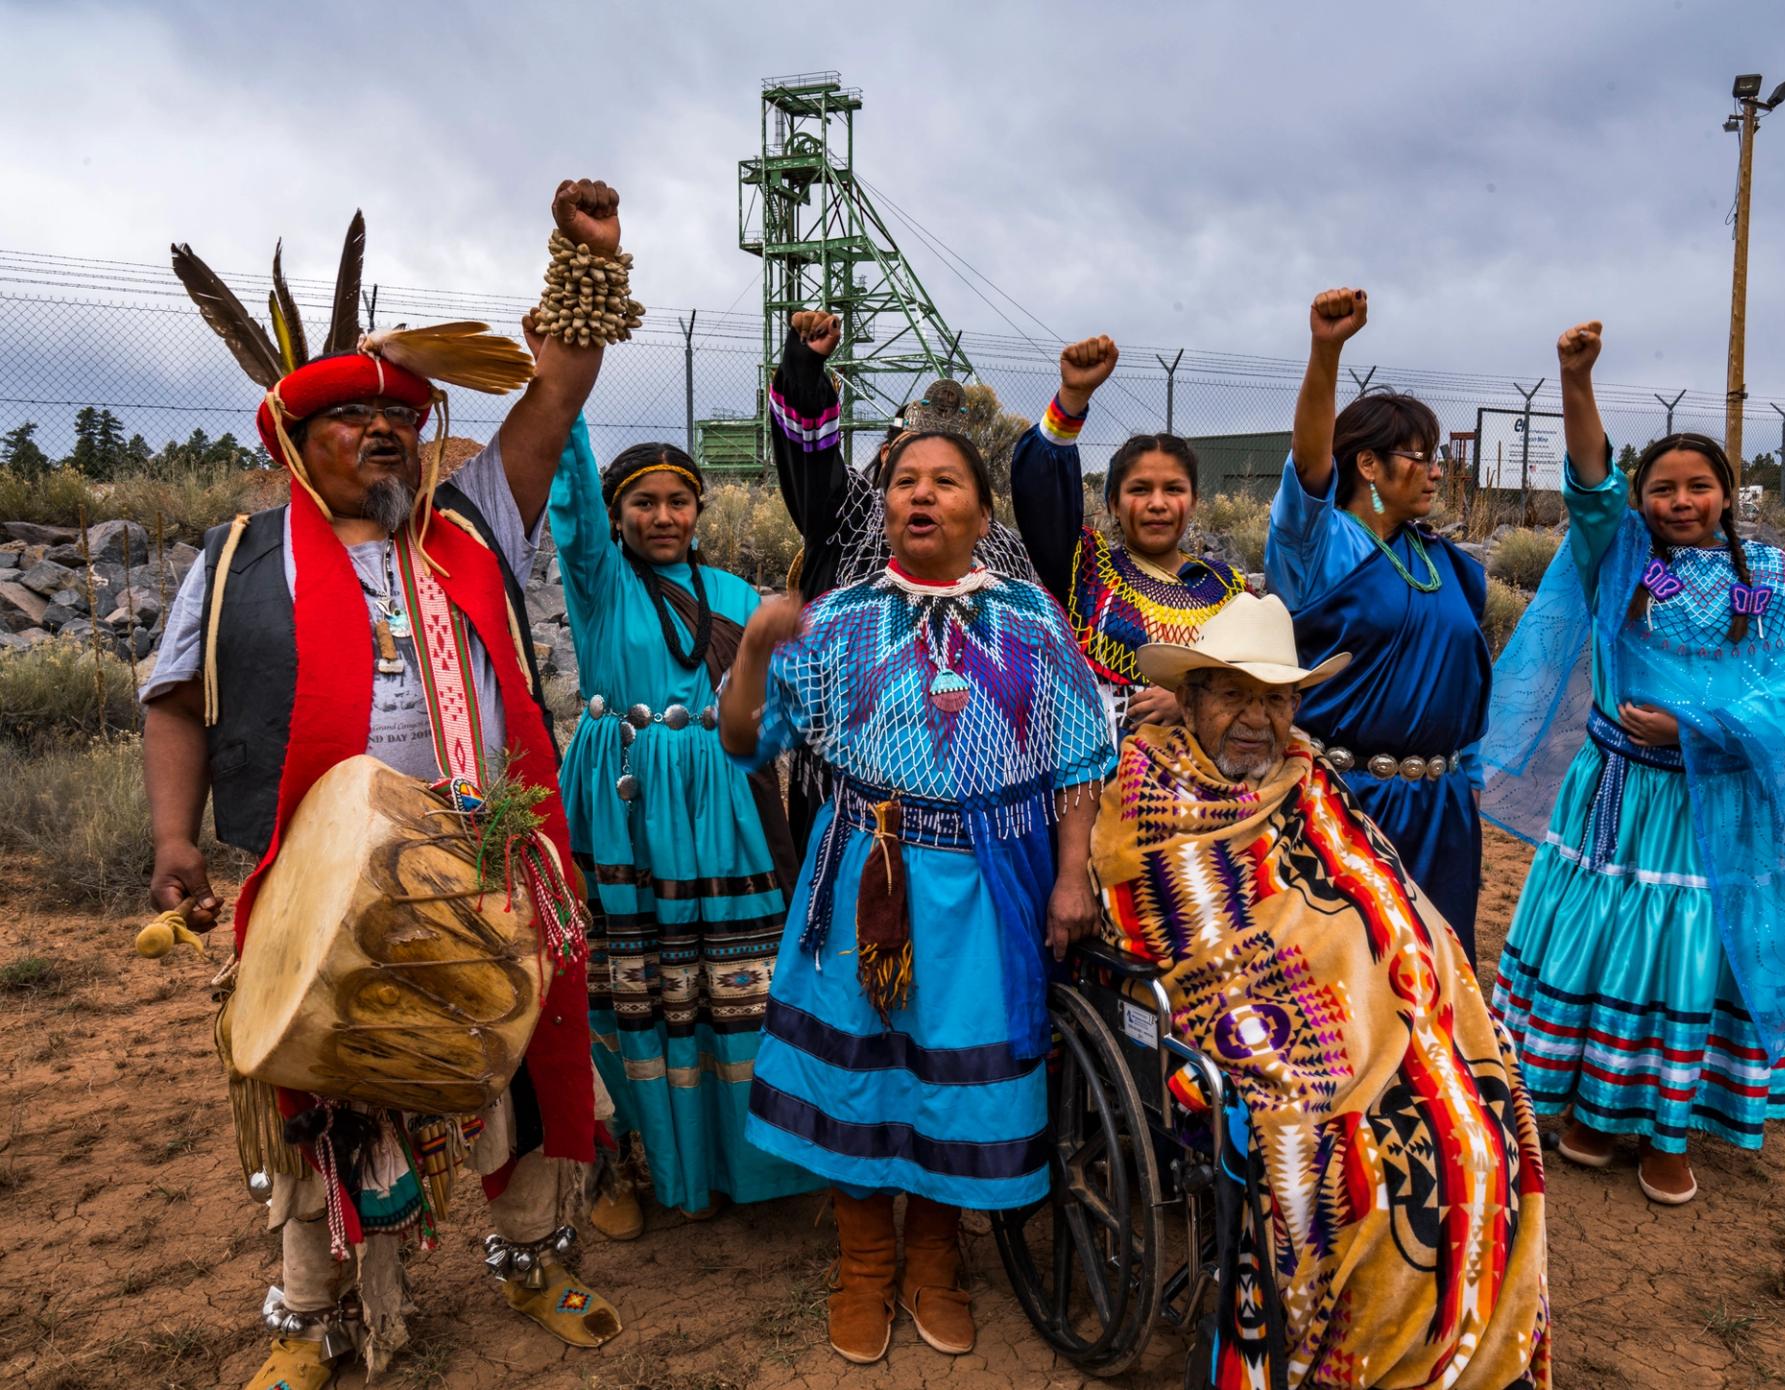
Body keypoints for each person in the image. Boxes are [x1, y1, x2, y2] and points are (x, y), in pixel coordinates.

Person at [143, 180, 636, 1389]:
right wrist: (172, 841)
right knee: (317, 1095)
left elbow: (557, 390)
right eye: (350, 419)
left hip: (475, 852)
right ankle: (314, 1316)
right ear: (296, 448)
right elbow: (171, 699)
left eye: (398, 417)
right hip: (304, 870)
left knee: (509, 1058)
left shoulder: (473, 524)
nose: (382, 432)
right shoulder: (239, 558)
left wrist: (584, 257)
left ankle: (529, 1253)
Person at [718, 429, 1115, 1365]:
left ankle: (935, 1260)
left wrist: (1069, 876)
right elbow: (747, 742)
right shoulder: (839, 616)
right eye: (904, 482)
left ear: (983, 511)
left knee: (953, 1075)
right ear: (886, 507)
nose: (921, 496)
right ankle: (864, 1265)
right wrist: (752, 653)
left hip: (989, 885)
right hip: (863, 874)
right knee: (865, 1067)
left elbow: (1076, 762)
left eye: (945, 482)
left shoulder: (1031, 620)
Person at [1091, 592, 1552, 1390]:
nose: (1255, 718)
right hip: (1244, 1018)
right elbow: (1181, 929)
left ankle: (1456, 1351)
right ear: (1192, 697)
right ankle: (1340, 1364)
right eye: (1233, 694)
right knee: (1351, 1161)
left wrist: (1415, 992)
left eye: (1274, 699)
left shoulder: (1308, 776)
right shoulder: (1150, 788)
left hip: (1382, 1009)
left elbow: (1377, 896)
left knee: (1483, 1128)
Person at [1481, 321, 1785, 1205]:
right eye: (1663, 488)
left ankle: (1669, 1131)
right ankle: (1591, 1108)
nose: (1681, 501)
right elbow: (1590, 487)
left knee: (1687, 947)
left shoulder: (1769, 580)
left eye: (1699, 486)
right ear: (1641, 501)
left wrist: (1697, 726)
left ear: (1726, 492)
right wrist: (1575, 380)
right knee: (1597, 937)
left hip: (1708, 800)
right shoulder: (1624, 557)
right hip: (1615, 793)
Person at [545, 402, 819, 1232]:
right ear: (616, 514)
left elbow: (787, 693)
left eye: (679, 502)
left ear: (699, 511)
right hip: (627, 805)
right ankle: (631, 1162)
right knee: (632, 983)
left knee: (737, 981)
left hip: (721, 804)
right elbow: (571, 502)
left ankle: (747, 1164)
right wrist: (566, 391)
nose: (662, 517)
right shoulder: (598, 584)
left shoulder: (735, 594)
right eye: (643, 502)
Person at [1264, 288, 1491, 966]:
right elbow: (1309, 464)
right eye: (1419, 456)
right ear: (1369, 466)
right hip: (1343, 805)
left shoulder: (1448, 564)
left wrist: (1465, 783)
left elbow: (1465, 688)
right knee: (1346, 983)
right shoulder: (1318, 544)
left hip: (1444, 814)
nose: (1435, 472)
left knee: (1440, 981)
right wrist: (1326, 350)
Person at [766, 310, 1040, 860]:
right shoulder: (851, 511)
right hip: (848, 779)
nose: (924, 490)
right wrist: (804, 369)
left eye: (948, 474)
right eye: (908, 462)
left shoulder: (1005, 548)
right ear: (886, 454)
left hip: (975, 786)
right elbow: (810, 461)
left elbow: (1033, 671)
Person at [1010, 334, 1245, 733]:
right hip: (1105, 780)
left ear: (1194, 501)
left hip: (1207, 785)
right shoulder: (1083, 570)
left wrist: (1189, 701)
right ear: (1114, 503)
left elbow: (1258, 679)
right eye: (1139, 490)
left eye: (1173, 489)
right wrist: (1072, 396)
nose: (1157, 503)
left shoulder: (1230, 590)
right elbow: (1039, 492)